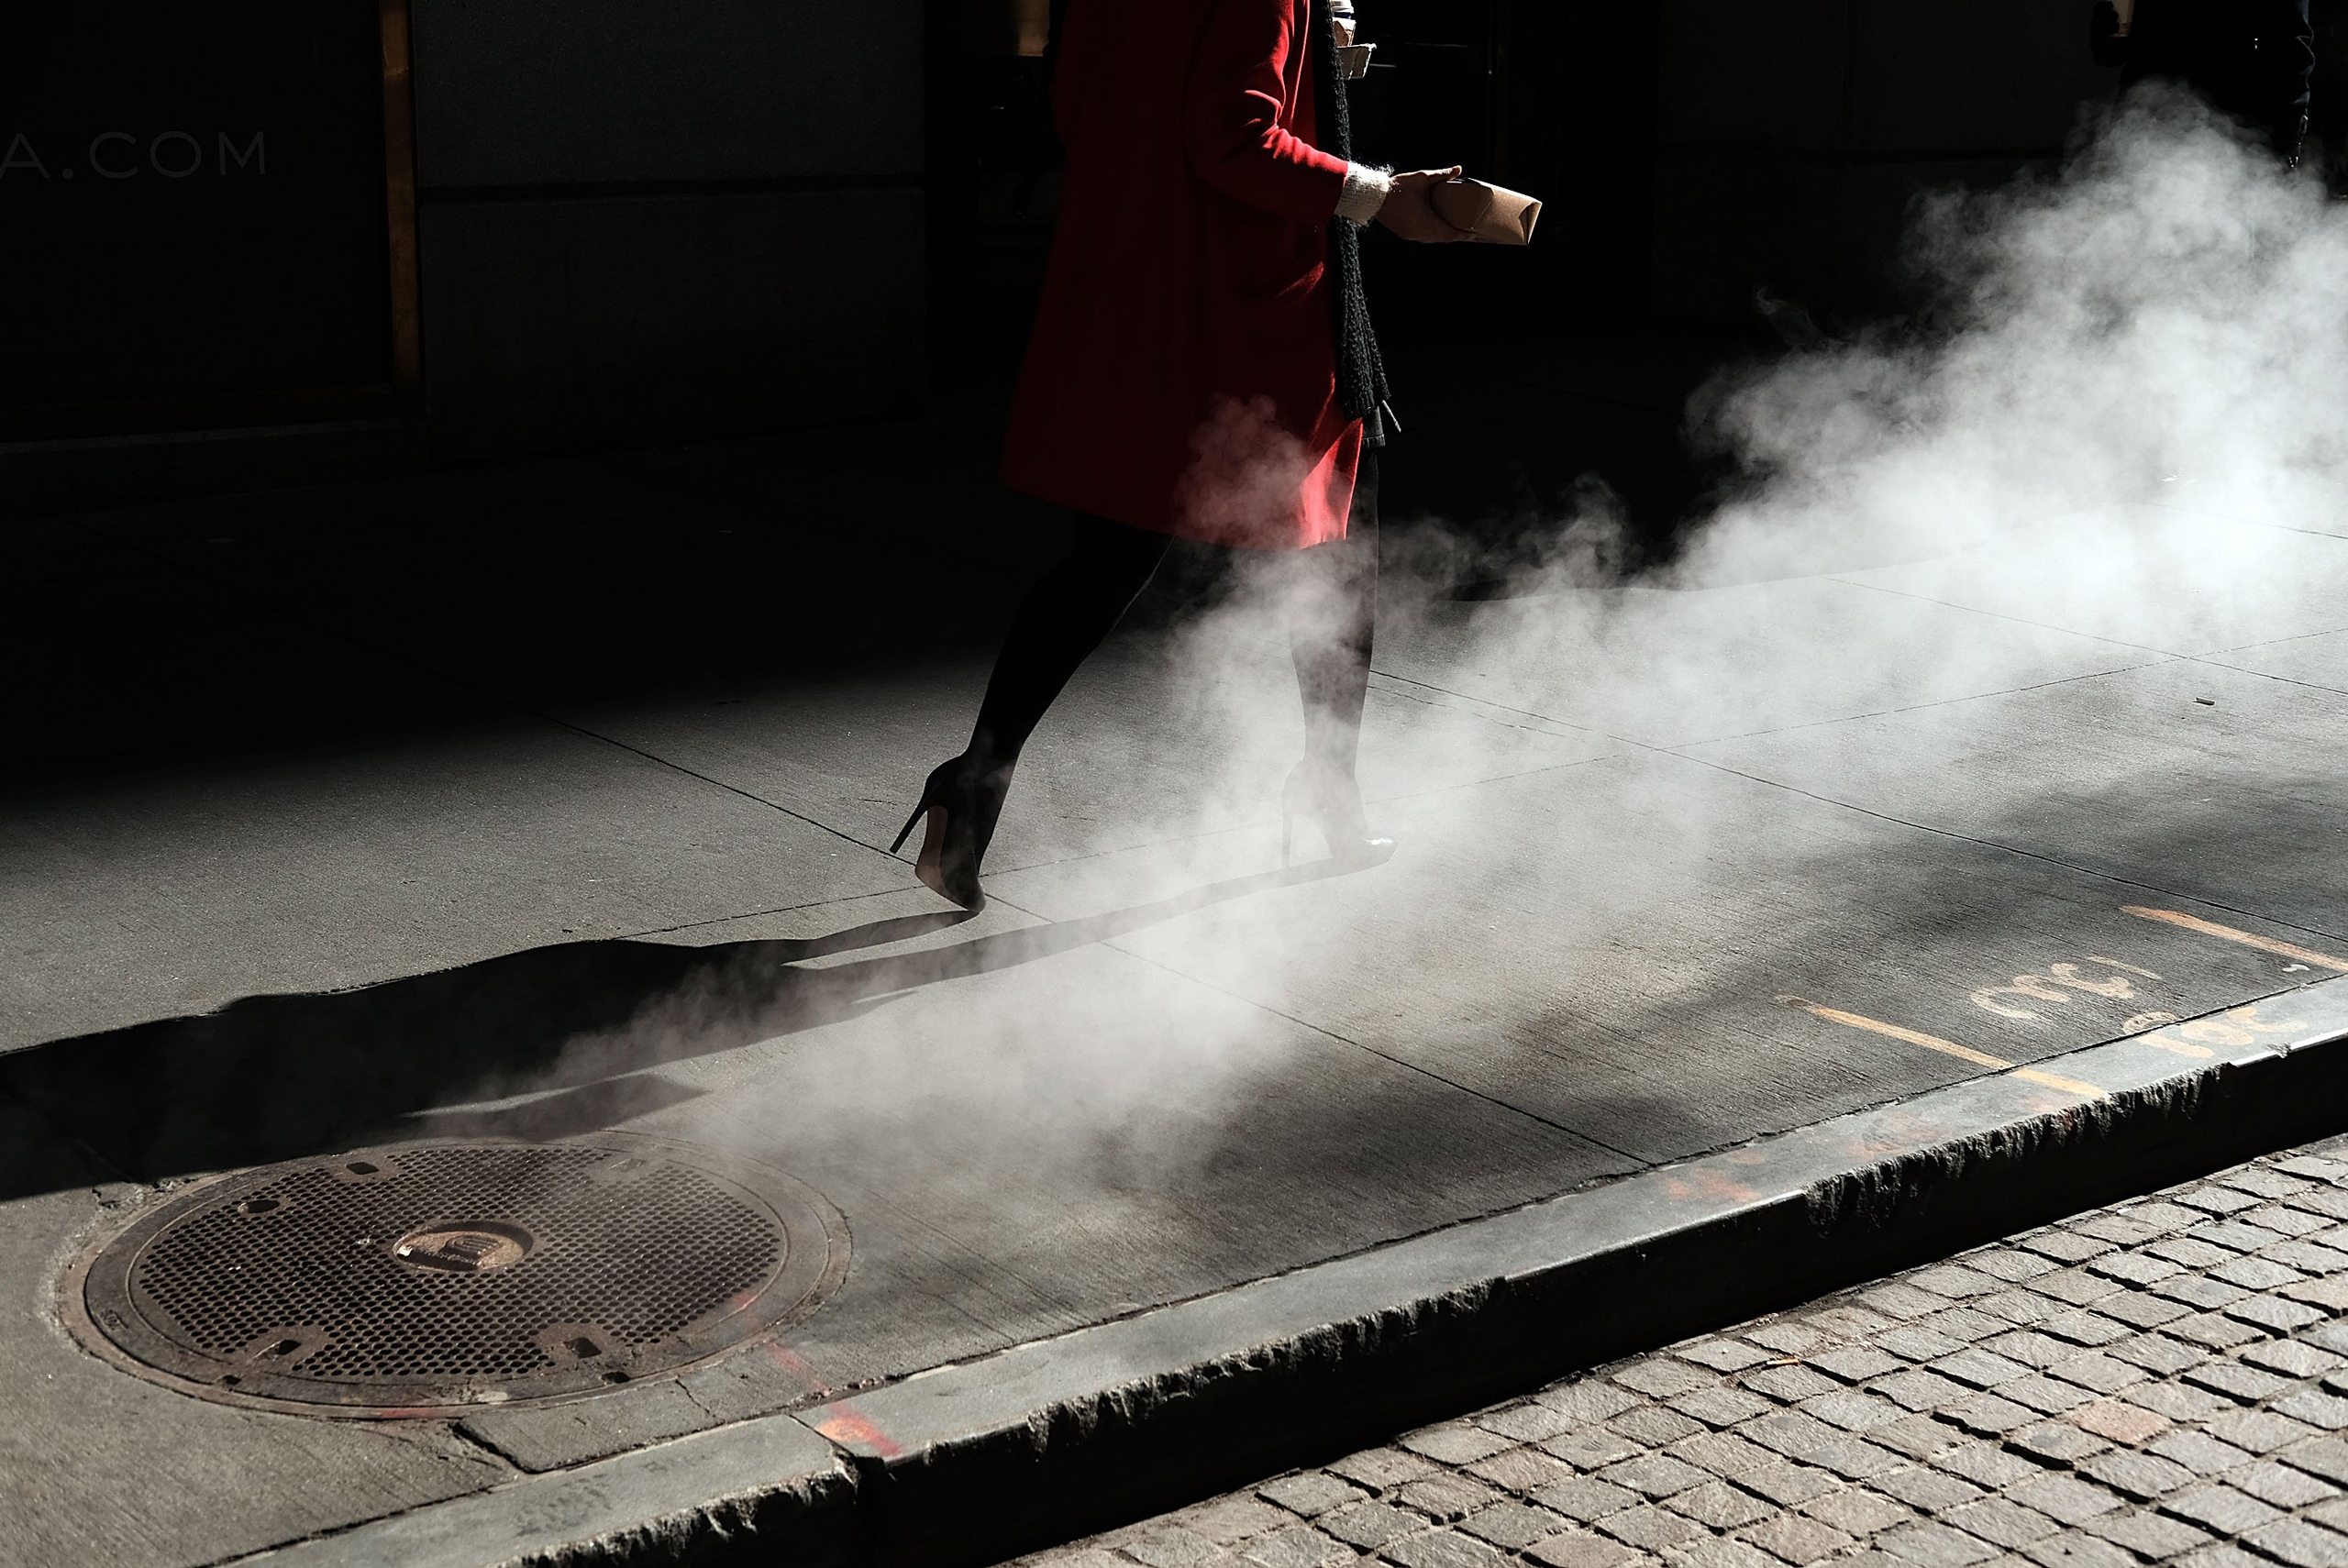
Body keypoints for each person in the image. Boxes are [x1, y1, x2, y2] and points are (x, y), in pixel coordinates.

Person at [892, 0, 1470, 911]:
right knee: (1337, 552)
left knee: (1106, 559)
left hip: (1132, 289)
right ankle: (1326, 790)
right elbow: (1231, 139)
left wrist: (1319, 69)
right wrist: (1377, 195)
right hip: (1240, 317)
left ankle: (972, 784)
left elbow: (1090, 104)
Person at [2091, 0, 2316, 162]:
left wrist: (2288, 127)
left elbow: (2289, 43)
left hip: (2227, 121)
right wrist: (2107, 32)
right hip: (2144, 119)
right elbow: (2117, 49)